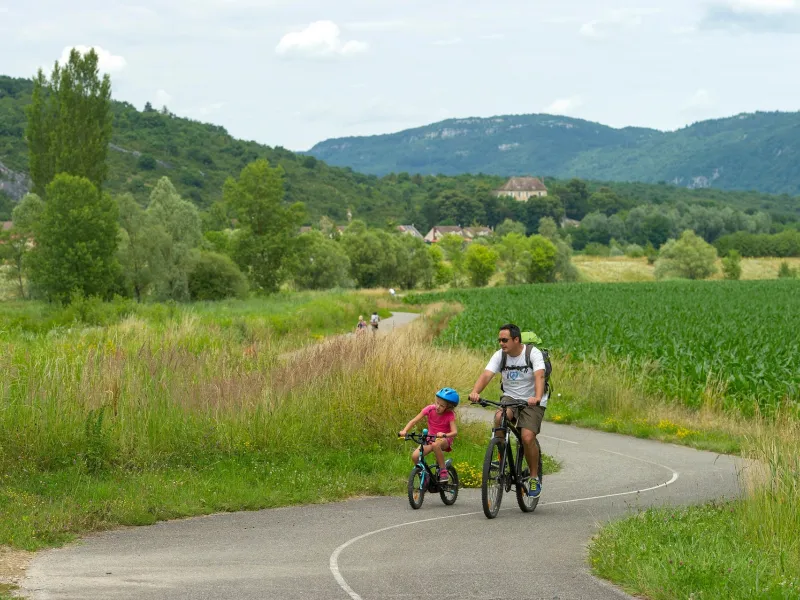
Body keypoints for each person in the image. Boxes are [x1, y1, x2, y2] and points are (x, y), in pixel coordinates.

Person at [468, 323, 548, 498]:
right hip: (510, 398)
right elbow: (487, 375)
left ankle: (534, 477)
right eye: (499, 340)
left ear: (516, 339)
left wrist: (537, 397)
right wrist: (475, 392)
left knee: (527, 437)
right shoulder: (500, 356)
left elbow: (539, 375)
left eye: (505, 340)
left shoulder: (532, 353)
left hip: (532, 400)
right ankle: (500, 457)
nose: (501, 343)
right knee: (499, 417)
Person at [399, 388, 459, 482]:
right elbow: (414, 420)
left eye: (442, 405)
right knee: (415, 456)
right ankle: (424, 476)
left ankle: (443, 471)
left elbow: (454, 432)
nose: (438, 406)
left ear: (448, 407)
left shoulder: (450, 415)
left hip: (444, 439)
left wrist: (444, 435)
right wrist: (404, 430)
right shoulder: (430, 409)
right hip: (430, 438)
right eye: (437, 403)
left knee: (436, 444)